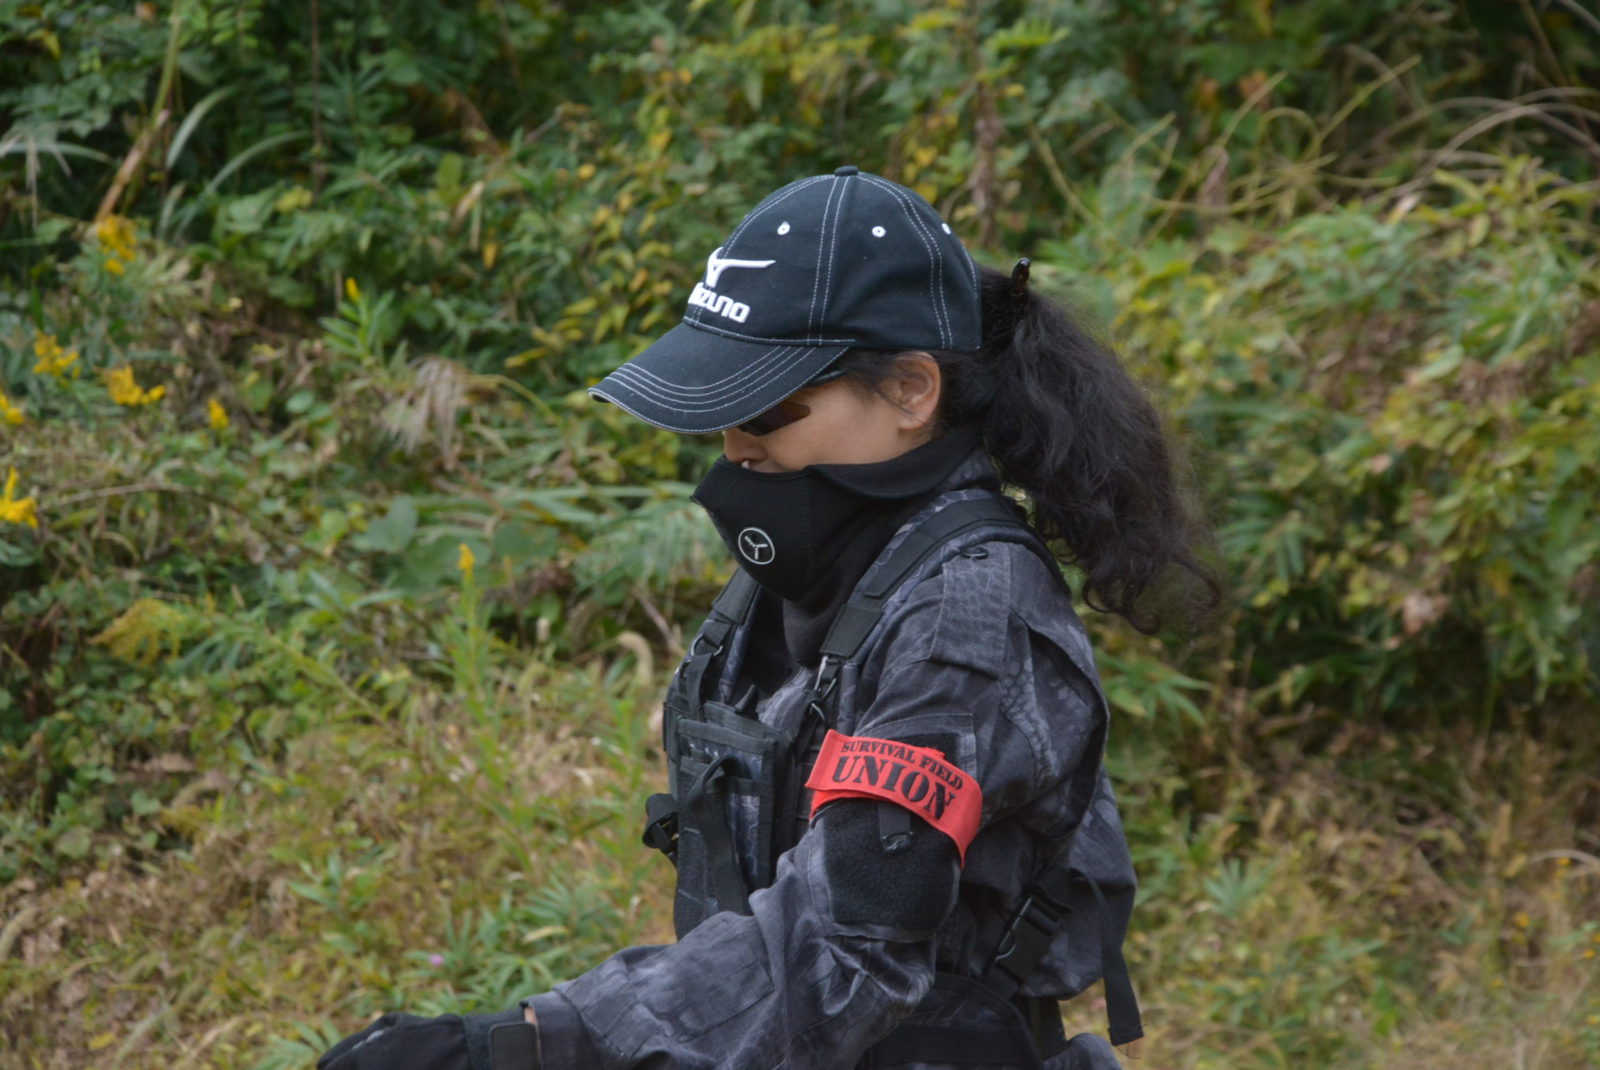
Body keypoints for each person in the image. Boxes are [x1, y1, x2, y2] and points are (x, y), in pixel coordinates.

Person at [319, 166, 1216, 1070]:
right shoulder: (827, 559)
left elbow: (847, 949)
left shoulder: (964, 616)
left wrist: (534, 1044)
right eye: (722, 411)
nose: (735, 446)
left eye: (766, 408)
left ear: (912, 390)